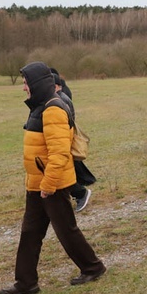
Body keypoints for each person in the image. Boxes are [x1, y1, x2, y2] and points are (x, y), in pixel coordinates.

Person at [0, 62, 105, 294]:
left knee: (66, 230)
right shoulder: (39, 106)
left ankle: (93, 267)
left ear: (36, 83)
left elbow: (59, 153)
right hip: (37, 183)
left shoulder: (53, 109)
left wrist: (47, 185)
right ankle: (26, 283)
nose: (23, 88)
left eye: (26, 83)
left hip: (50, 184)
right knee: (30, 233)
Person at [53, 74, 96, 213]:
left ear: (55, 86)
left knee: (66, 169)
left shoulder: (60, 99)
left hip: (64, 138)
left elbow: (67, 121)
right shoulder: (61, 97)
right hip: (64, 138)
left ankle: (80, 193)